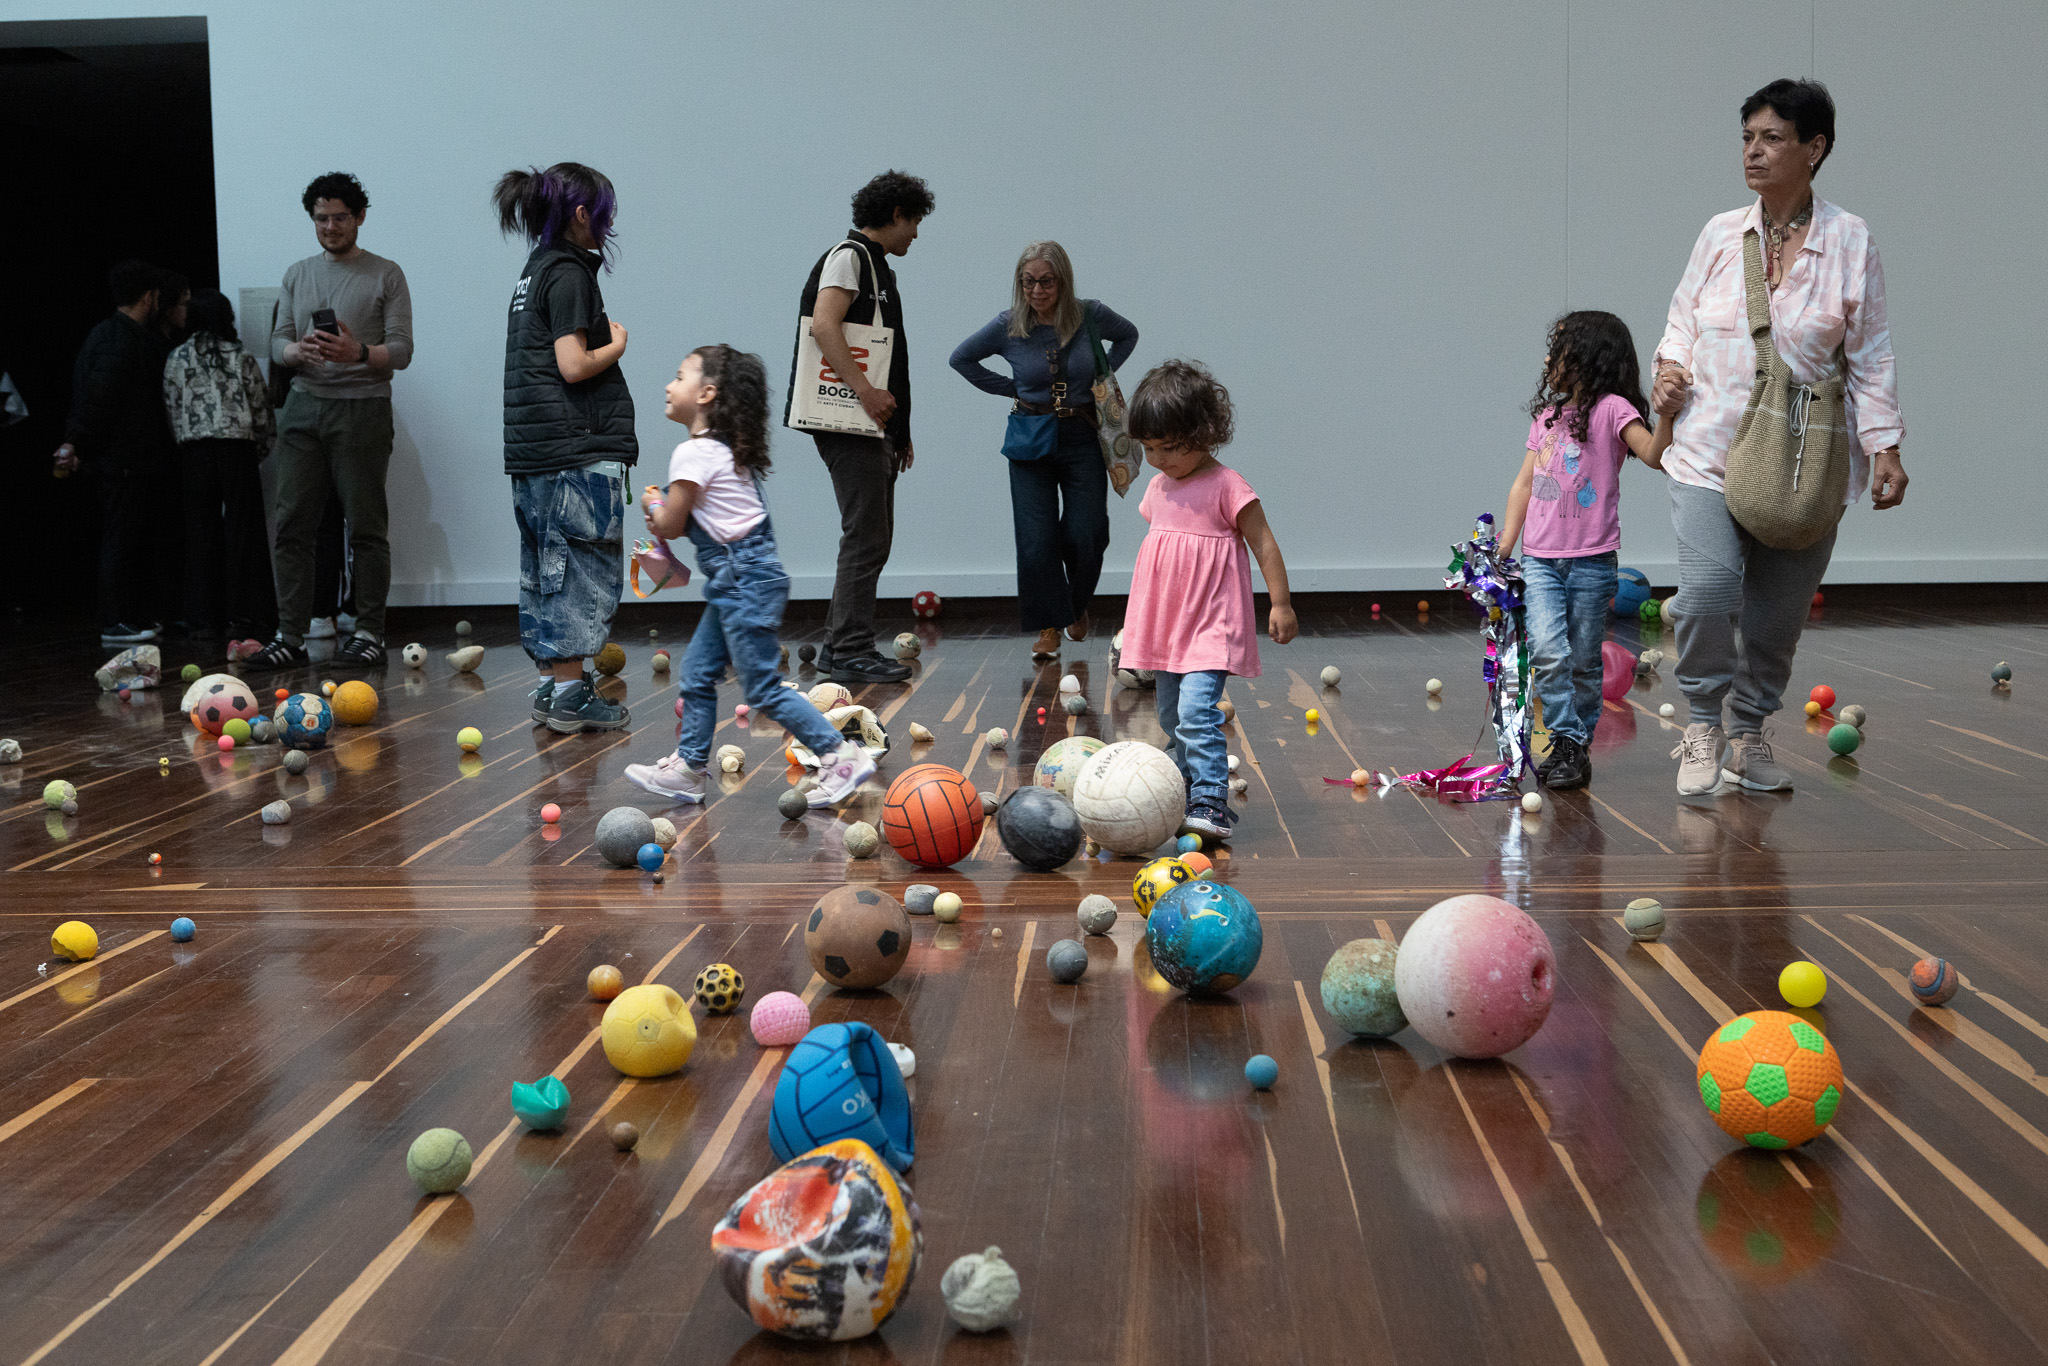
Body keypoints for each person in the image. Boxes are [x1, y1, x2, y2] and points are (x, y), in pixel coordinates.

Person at [1652, 79, 1907, 797]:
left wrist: (1884, 446)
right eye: (1746, 138)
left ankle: (1748, 732)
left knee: (1776, 614)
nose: (1753, 152)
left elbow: (1872, 353)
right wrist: (1670, 369)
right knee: (1705, 592)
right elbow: (1680, 322)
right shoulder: (1718, 234)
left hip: (1807, 461)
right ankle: (1703, 722)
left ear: (1814, 148)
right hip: (1708, 449)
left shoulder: (1850, 240)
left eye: (1770, 138)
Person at [624, 346, 876, 805]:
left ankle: (841, 755)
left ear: (706, 393)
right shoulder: (722, 452)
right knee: (698, 672)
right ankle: (689, 766)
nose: (668, 385)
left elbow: (672, 526)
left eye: (679, 376)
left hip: (741, 581)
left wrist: (652, 505)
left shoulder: (693, 453)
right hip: (742, 581)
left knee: (761, 687)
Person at [1119, 360, 1296, 840]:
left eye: (1169, 448)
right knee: (1169, 716)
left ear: (1205, 432)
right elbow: (1166, 556)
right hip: (1167, 628)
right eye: (1149, 448)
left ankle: (1212, 801)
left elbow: (1263, 543)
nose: (1157, 459)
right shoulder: (1157, 486)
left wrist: (1280, 604)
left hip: (1210, 626)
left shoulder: (1227, 485)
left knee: (1198, 714)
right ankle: (1180, 790)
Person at [246, 172, 413, 670]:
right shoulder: (298, 273)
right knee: (292, 523)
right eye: (321, 218)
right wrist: (294, 350)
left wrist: (357, 350)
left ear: (360, 217)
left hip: (362, 407)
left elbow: (402, 350)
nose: (331, 226)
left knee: (365, 526)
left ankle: (367, 633)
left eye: (341, 217)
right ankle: (291, 635)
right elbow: (278, 341)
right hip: (303, 404)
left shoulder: (386, 273)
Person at [1499, 312, 1672, 789]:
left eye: (1560, 348)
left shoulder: (1615, 409)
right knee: (1550, 651)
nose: (1550, 359)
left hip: (1593, 561)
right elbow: (1524, 483)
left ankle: (1575, 747)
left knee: (1582, 658)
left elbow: (1655, 455)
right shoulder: (1548, 418)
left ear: (1590, 356)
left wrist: (1670, 414)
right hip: (1539, 559)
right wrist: (1506, 544)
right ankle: (1566, 737)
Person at [494, 162, 634, 733]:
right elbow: (573, 365)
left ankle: (555, 689)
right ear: (582, 215)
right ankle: (573, 697)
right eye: (604, 216)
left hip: (536, 456)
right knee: (581, 570)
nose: (607, 228)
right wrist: (617, 344)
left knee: (546, 571)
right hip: (573, 453)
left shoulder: (533, 271)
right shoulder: (570, 273)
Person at [950, 241, 1138, 658]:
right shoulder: (1008, 324)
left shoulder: (1091, 314)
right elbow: (961, 359)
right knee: (1037, 539)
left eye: (1046, 281)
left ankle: (1075, 605)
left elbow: (1128, 336)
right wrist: (1013, 388)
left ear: (1063, 281)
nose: (1036, 290)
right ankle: (1050, 626)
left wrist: (1103, 375)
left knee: (1085, 532)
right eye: (1028, 281)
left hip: (1082, 434)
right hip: (1030, 436)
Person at [787, 170, 934, 685]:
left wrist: (900, 432)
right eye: (914, 221)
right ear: (896, 214)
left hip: (872, 428)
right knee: (866, 537)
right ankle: (847, 649)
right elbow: (825, 327)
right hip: (851, 425)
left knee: (872, 537)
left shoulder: (875, 267)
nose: (915, 232)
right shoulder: (849, 258)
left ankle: (841, 647)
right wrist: (866, 394)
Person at [53, 259, 176, 646]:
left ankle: (131, 616)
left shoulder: (109, 335)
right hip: (121, 461)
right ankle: (115, 621)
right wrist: (75, 443)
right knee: (121, 539)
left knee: (130, 538)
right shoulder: (118, 342)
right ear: (150, 296)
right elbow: (98, 403)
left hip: (128, 460)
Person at [163, 288, 277, 644]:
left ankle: (202, 615)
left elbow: (171, 406)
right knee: (245, 530)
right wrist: (260, 448)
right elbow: (261, 406)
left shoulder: (177, 357)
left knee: (200, 531)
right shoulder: (239, 355)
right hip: (236, 448)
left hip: (194, 451)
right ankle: (249, 613)